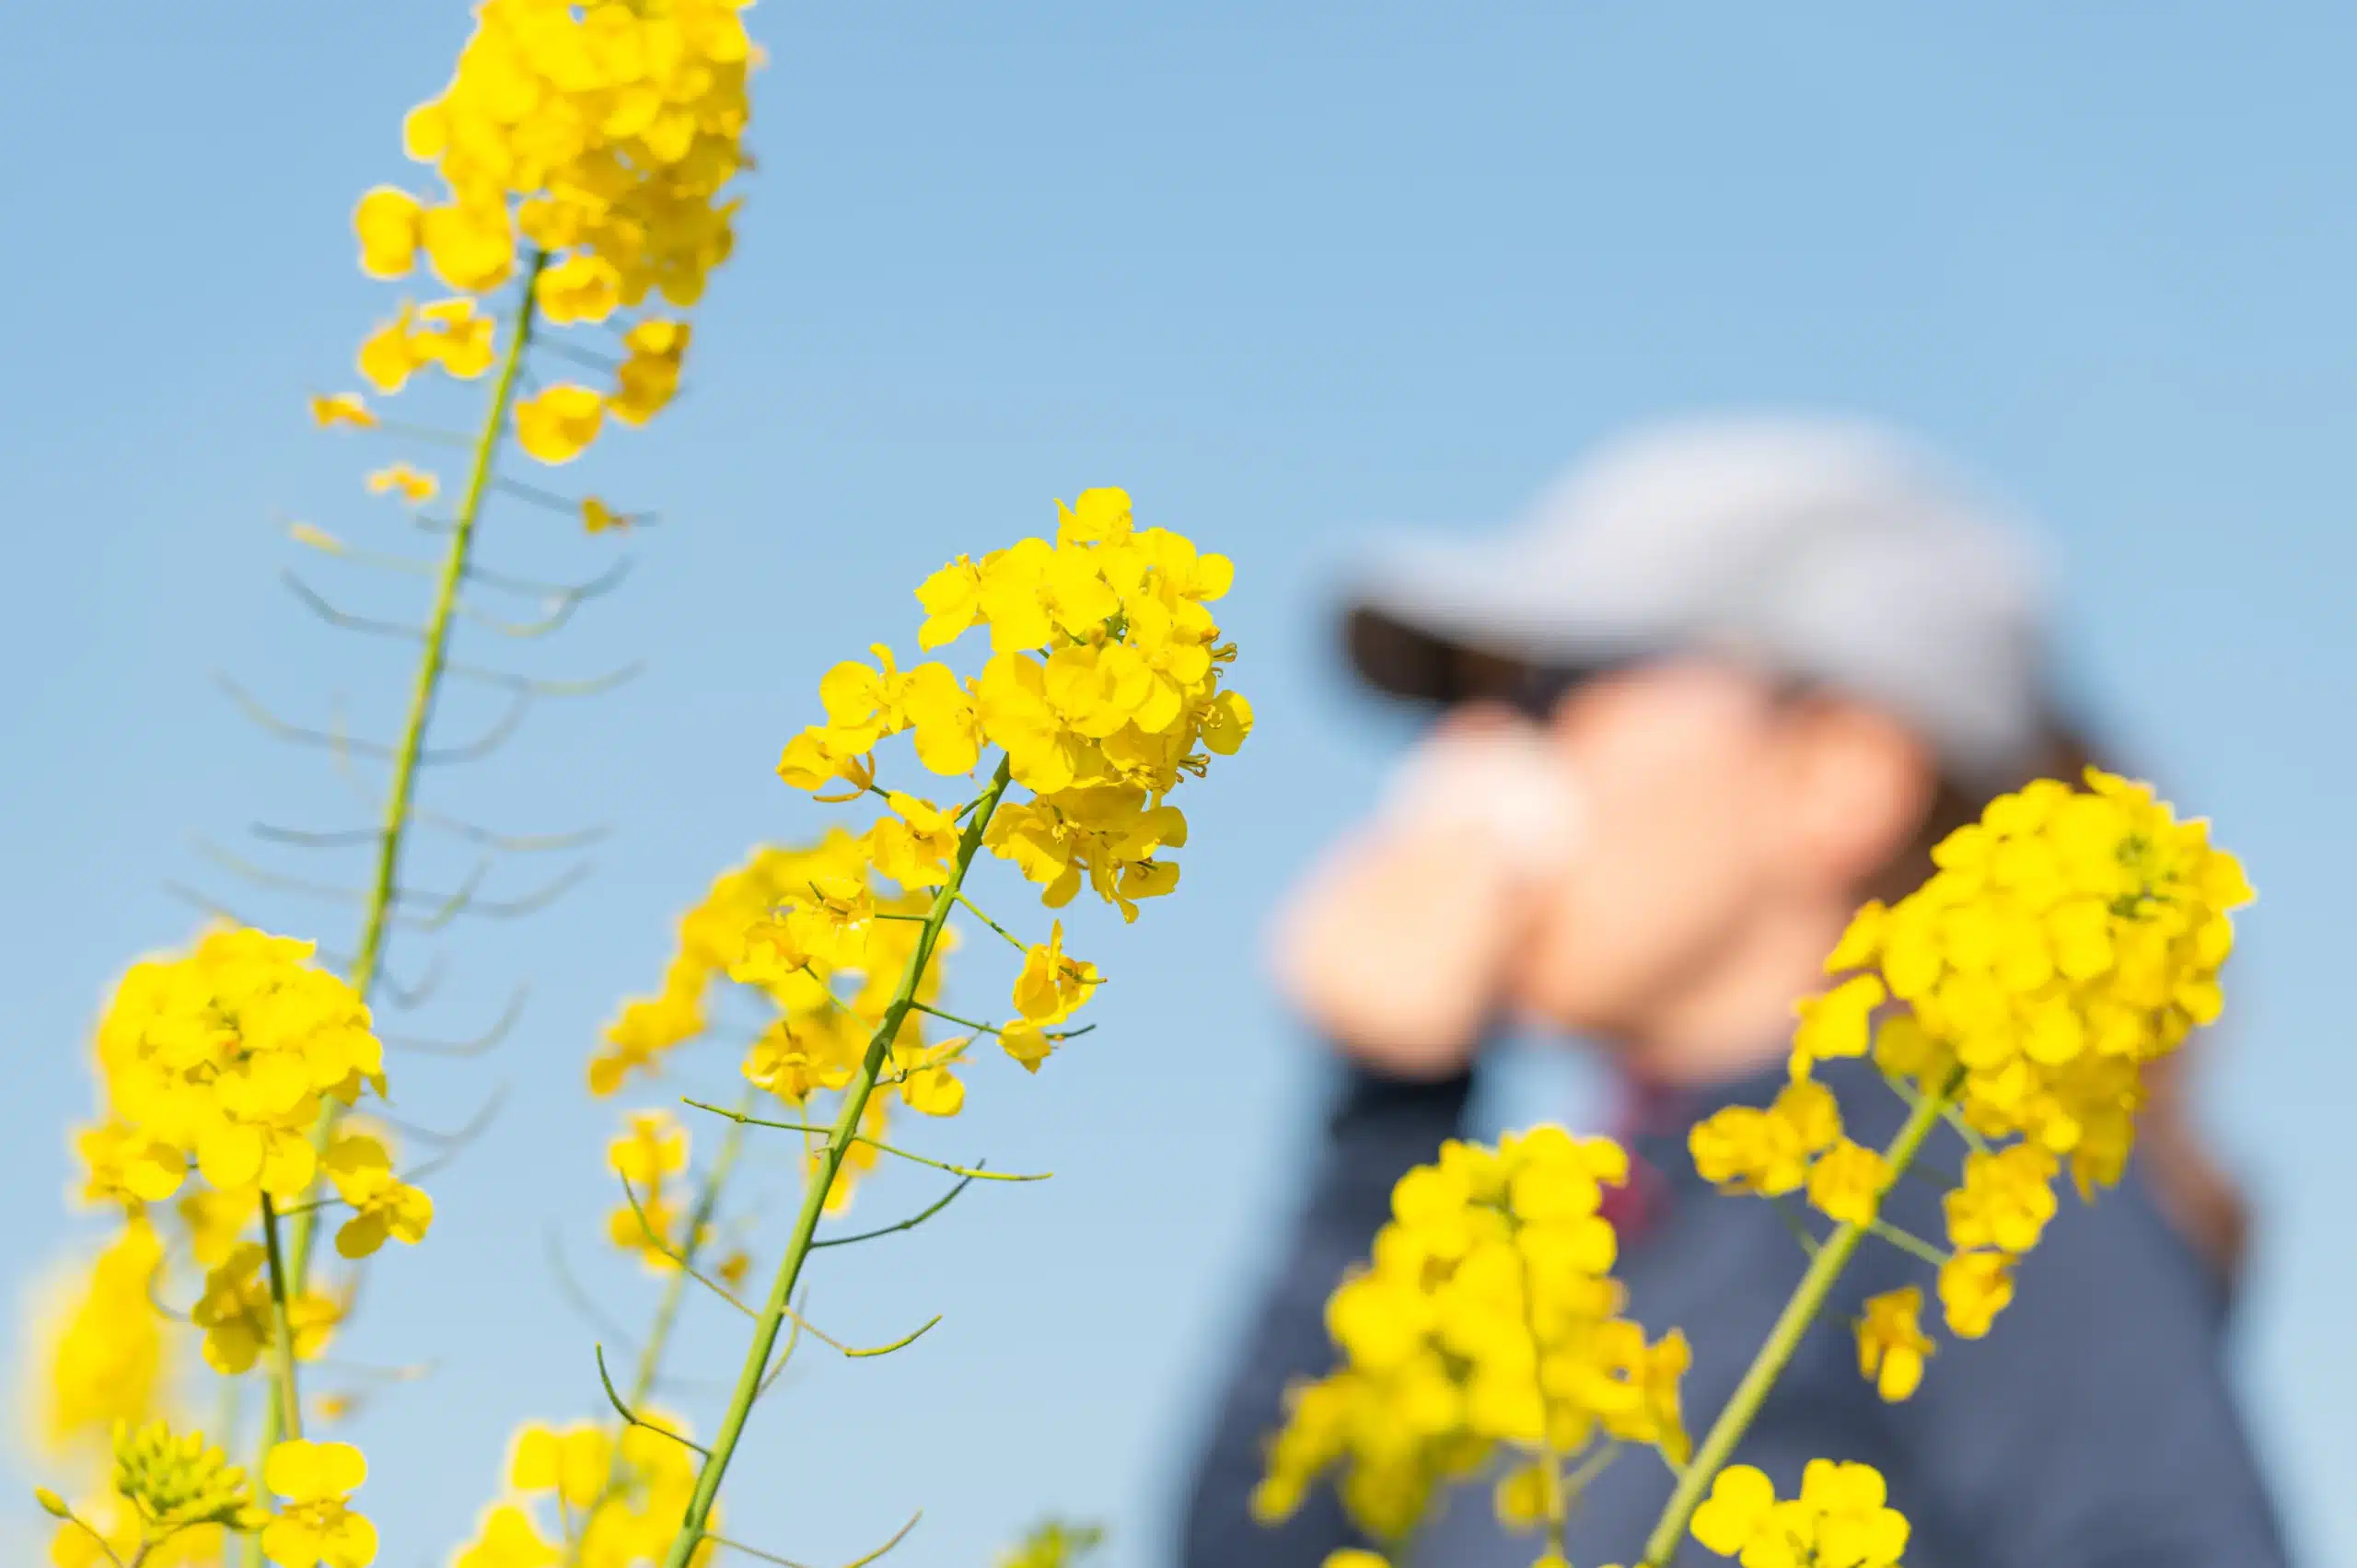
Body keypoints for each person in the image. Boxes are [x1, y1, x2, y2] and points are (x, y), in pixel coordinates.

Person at [1177, 417, 2284, 1568]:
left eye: (1547, 692)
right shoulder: (1608, 1227)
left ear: (1835, 771)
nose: (1466, 763)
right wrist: (1390, 1108)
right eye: (1457, 706)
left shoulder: (1966, 1192)